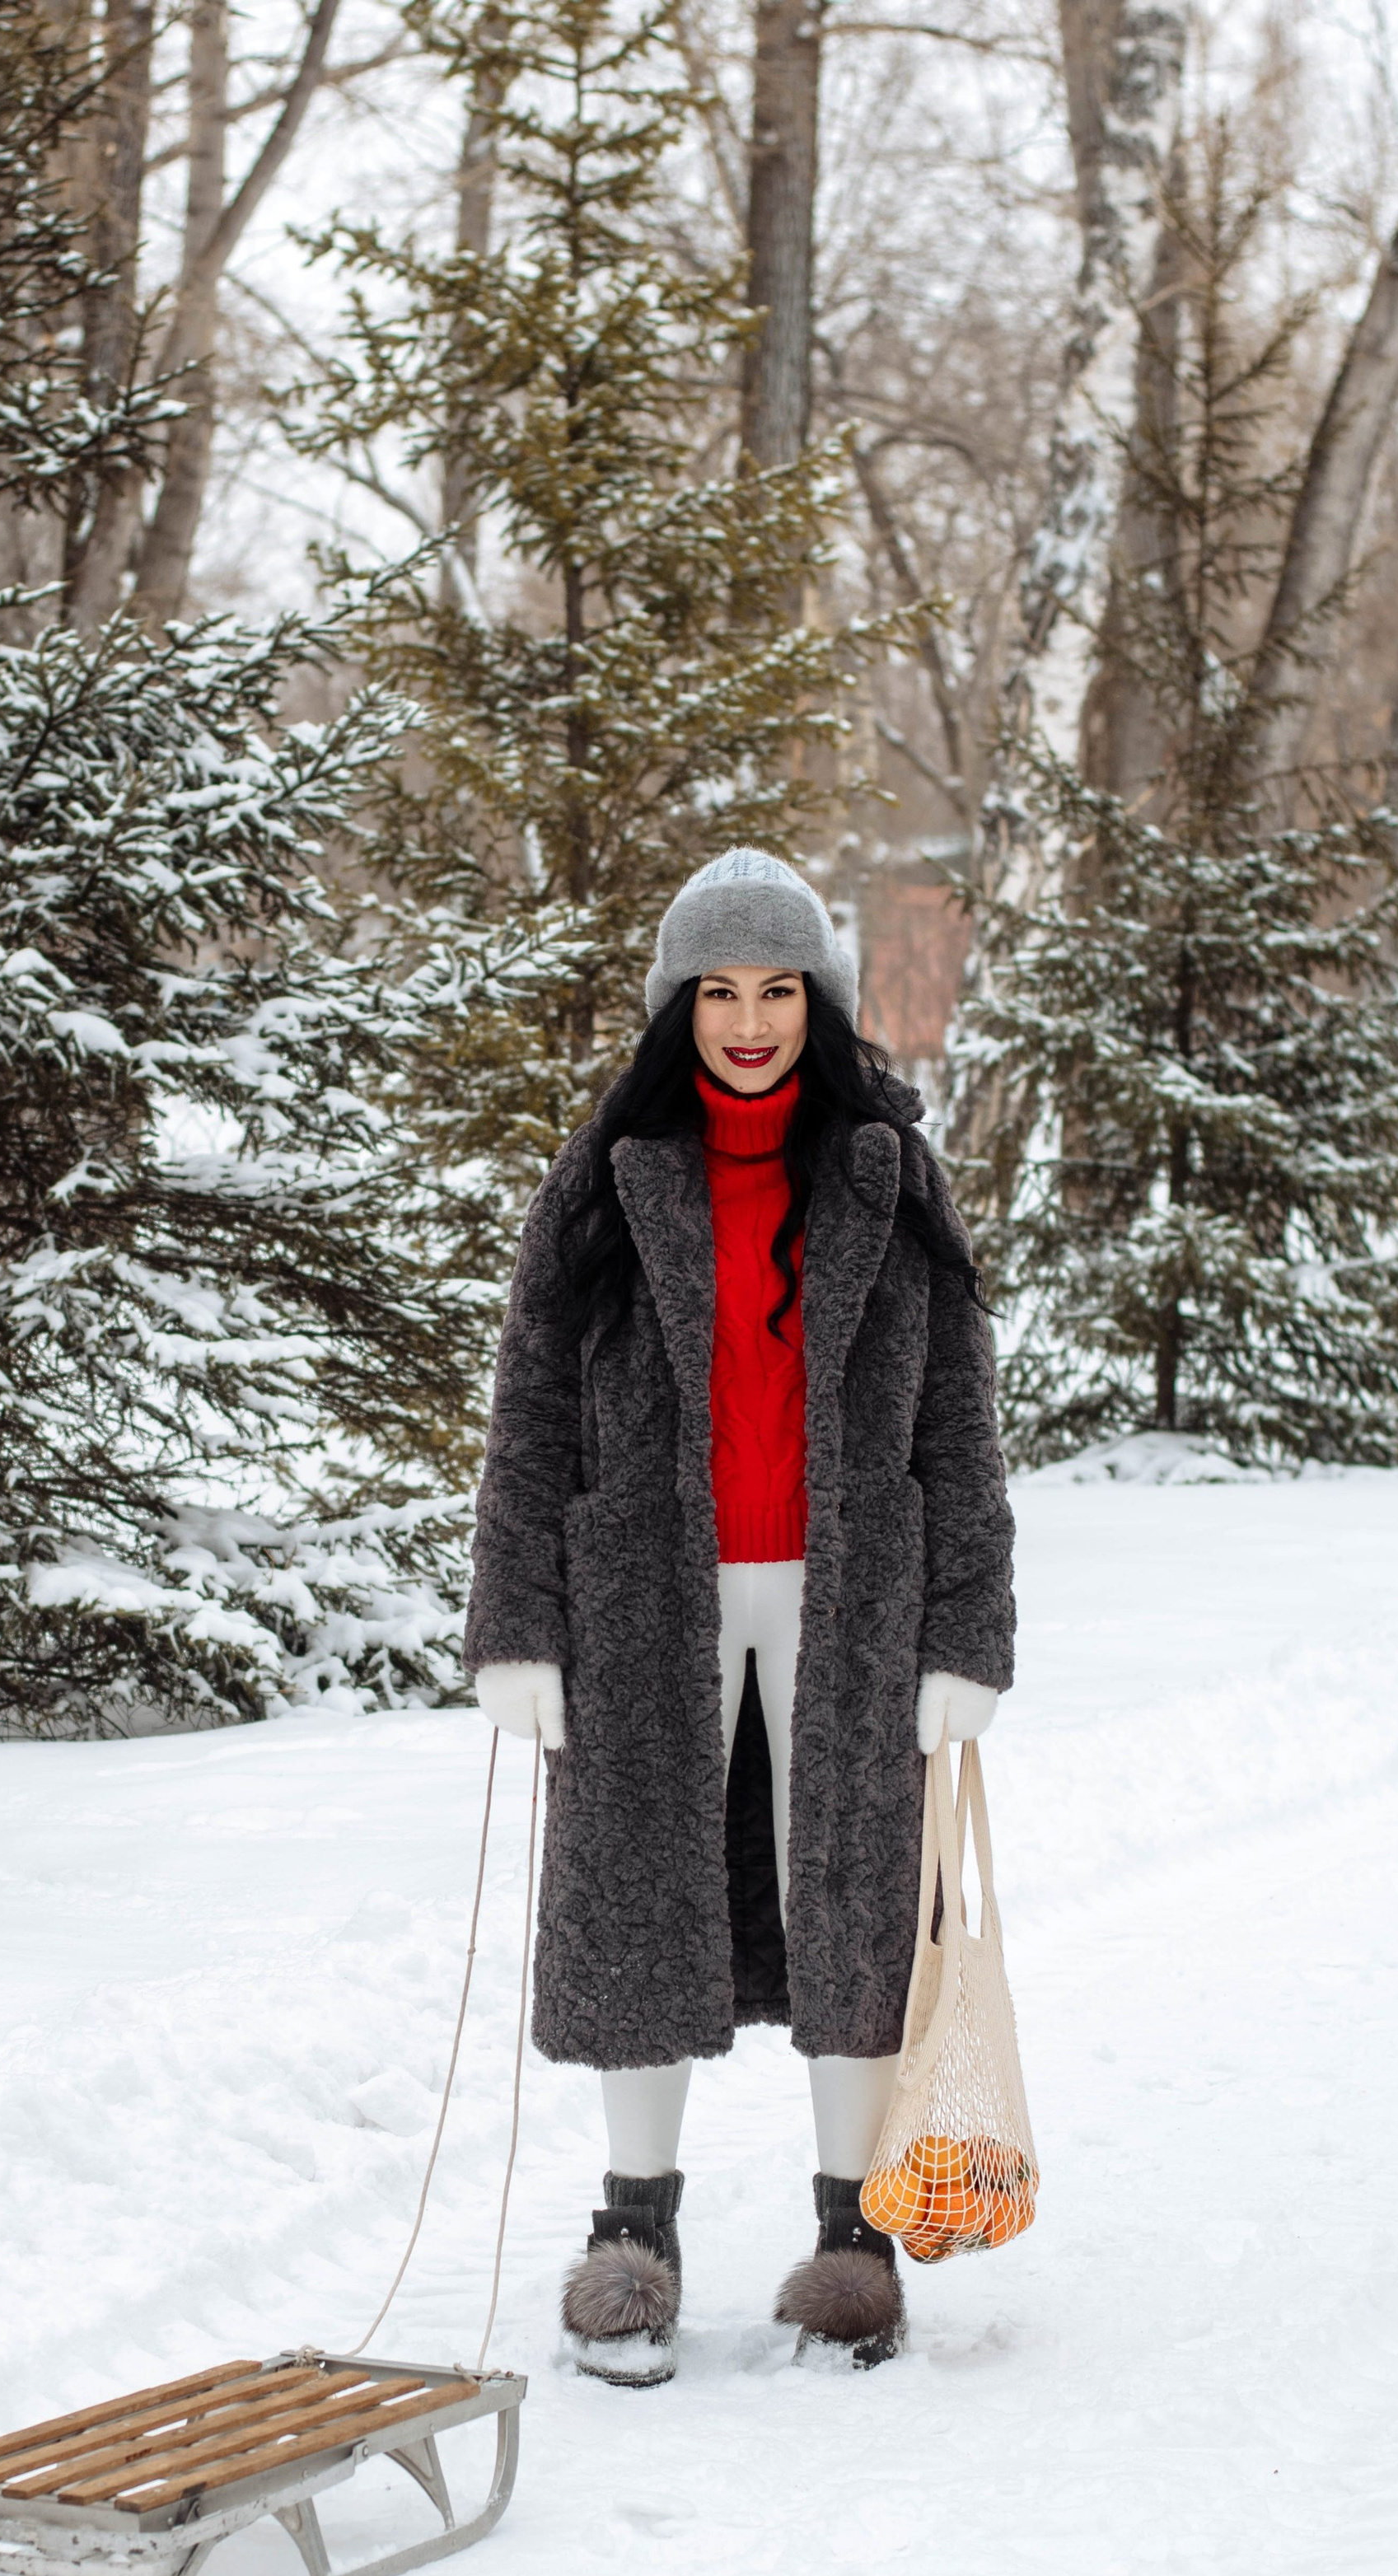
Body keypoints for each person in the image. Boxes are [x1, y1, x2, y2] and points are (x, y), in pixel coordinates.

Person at [465, 849, 1015, 2384]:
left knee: (849, 1904)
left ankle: (855, 2238)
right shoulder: (603, 1180)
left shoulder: (887, 1174)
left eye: (780, 991)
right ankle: (633, 2232)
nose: (752, 1021)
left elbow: (958, 1431)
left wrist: (968, 1630)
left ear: (819, 1004)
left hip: (854, 1604)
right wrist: (517, 1620)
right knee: (638, 1893)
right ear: (678, 1009)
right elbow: (529, 1421)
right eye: (721, 992)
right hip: (646, 1597)